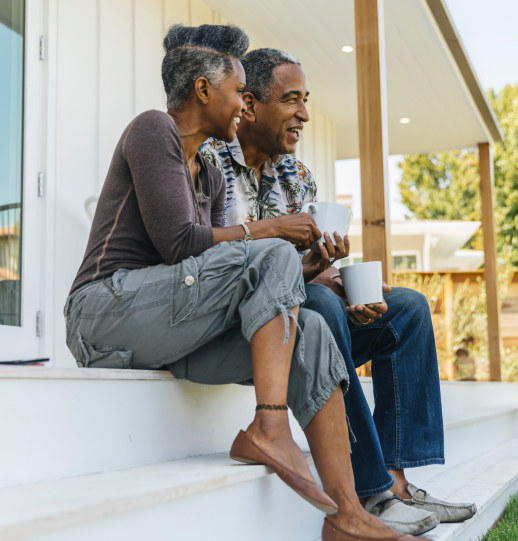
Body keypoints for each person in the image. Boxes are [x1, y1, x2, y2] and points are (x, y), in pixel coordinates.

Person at [64, 24, 426, 541]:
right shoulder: (152, 130)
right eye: (238, 91)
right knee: (271, 250)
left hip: (166, 332)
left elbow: (227, 266)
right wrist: (275, 231)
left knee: (313, 335)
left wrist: (300, 271)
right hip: (102, 315)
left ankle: (348, 514)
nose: (243, 104)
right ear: (203, 90)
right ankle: (270, 426)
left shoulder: (208, 176)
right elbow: (179, 245)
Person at [200, 47, 477, 537]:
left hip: (306, 310)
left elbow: (310, 272)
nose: (304, 114)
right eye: (291, 100)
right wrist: (316, 281)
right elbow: (212, 264)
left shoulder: (297, 175)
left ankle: (396, 480)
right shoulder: (209, 161)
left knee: (406, 308)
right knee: (323, 304)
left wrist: (342, 279)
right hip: (249, 328)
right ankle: (368, 489)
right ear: (250, 104)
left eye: (306, 101)